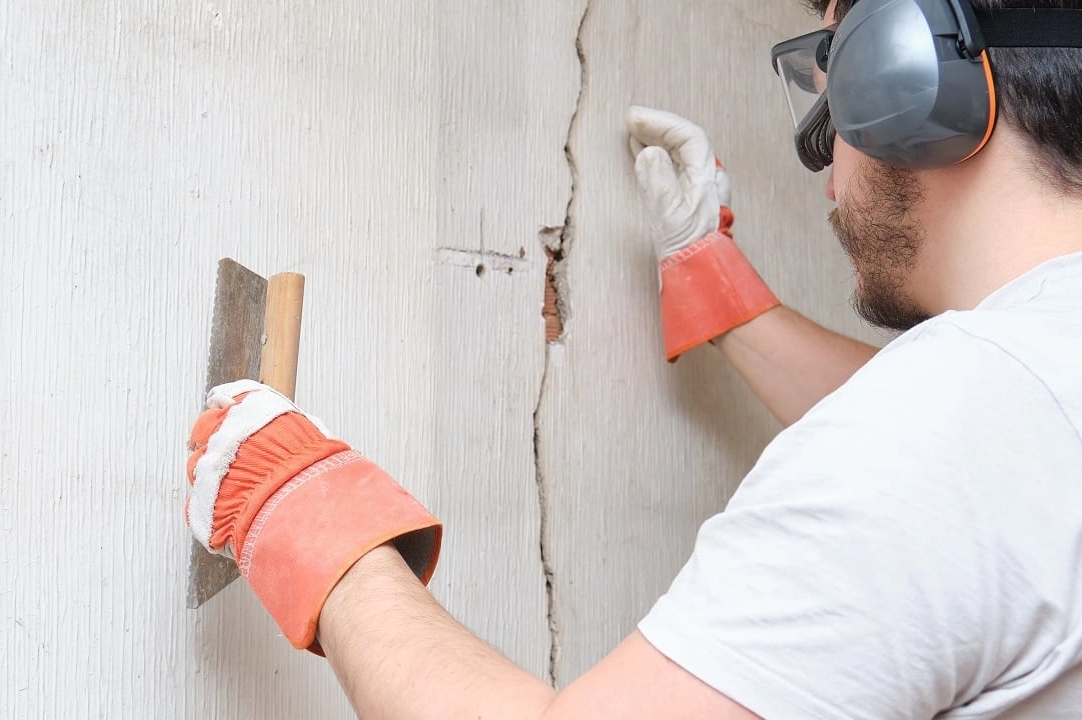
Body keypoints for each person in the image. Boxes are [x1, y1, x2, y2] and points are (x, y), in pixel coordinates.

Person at [183, 0, 1082, 716]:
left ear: (908, 67)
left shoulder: (958, 417)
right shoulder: (1018, 394)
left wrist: (312, 522)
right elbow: (989, 471)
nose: (821, 154)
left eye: (832, 67)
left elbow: (943, 451)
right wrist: (718, 289)